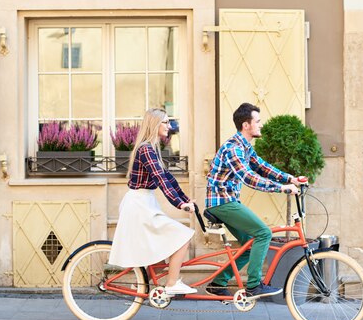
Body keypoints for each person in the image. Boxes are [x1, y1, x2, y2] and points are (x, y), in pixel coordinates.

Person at [205, 102, 299, 298]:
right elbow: (248, 177)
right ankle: (254, 285)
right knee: (263, 233)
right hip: (221, 203)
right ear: (246, 125)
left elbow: (262, 167)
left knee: (249, 244)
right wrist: (281, 188)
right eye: (257, 121)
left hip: (228, 201)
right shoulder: (234, 149)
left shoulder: (245, 147)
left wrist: (289, 178)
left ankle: (218, 283)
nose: (261, 125)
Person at [109, 108, 197, 295]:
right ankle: (172, 284)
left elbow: (168, 178)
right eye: (165, 122)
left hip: (144, 203)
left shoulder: (152, 149)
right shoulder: (146, 149)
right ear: (154, 124)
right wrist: (180, 204)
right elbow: (160, 180)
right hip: (139, 205)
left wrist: (186, 199)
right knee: (183, 236)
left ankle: (140, 285)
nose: (169, 126)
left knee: (158, 251)